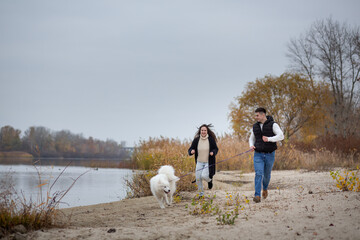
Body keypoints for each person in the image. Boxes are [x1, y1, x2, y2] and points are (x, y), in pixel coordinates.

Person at [249, 108, 284, 203]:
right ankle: (257, 196)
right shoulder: (255, 126)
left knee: (267, 175)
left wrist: (269, 139)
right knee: (258, 173)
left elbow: (281, 136)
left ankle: (264, 188)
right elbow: (251, 138)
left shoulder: (273, 124)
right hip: (258, 154)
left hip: (270, 154)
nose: (255, 117)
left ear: (263, 115)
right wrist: (251, 145)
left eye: (257, 115)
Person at [188, 124, 218, 197]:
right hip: (199, 162)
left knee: (204, 176)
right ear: (200, 131)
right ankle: (201, 195)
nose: (203, 132)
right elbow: (190, 149)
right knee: (198, 178)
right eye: (202, 130)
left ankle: (209, 180)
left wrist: (213, 152)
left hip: (208, 162)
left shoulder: (210, 139)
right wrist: (191, 151)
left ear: (207, 131)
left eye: (205, 130)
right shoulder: (196, 140)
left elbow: (216, 149)